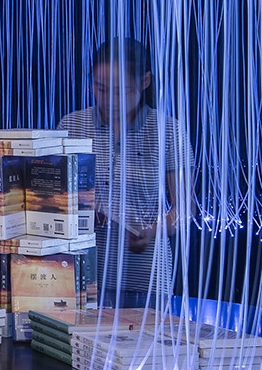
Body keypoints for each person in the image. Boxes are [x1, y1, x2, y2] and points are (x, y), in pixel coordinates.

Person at [58, 38, 191, 309]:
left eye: (121, 91)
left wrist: (152, 231)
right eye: (100, 88)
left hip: (146, 280)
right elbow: (54, 196)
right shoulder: (72, 125)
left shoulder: (168, 131)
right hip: (81, 274)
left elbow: (185, 210)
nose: (109, 100)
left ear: (145, 81)